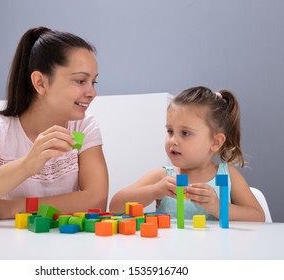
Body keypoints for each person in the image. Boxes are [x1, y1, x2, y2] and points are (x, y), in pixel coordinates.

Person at [0, 26, 109, 225]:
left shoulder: (83, 127)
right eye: (80, 80)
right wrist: (26, 166)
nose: (92, 92)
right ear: (40, 83)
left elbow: (96, 201)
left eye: (94, 82)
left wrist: (8, 208)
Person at [110, 86, 265, 222]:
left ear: (215, 142)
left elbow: (258, 216)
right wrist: (155, 190)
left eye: (185, 133)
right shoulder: (163, 177)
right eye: (170, 131)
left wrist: (218, 207)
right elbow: (115, 207)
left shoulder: (227, 175)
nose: (173, 140)